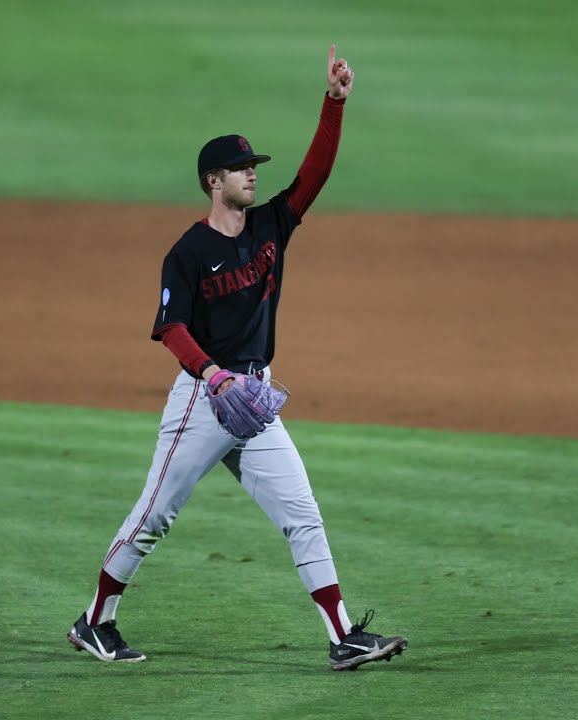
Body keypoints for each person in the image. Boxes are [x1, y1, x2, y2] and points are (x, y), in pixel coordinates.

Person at [66, 44, 408, 672]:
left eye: (253, 165)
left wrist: (333, 103)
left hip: (254, 401)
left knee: (302, 513)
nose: (252, 173)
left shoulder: (271, 226)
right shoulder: (188, 253)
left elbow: (314, 176)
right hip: (204, 400)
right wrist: (213, 374)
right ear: (212, 182)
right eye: (240, 167)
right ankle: (94, 622)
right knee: (153, 517)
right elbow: (170, 328)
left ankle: (341, 636)